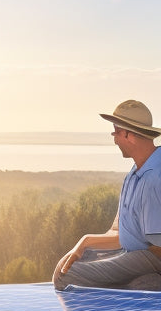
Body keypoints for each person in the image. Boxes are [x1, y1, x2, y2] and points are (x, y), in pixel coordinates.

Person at [52, 100, 161, 291]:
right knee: (76, 259)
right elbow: (119, 233)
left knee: (65, 276)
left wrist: (124, 266)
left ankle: (147, 282)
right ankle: (147, 284)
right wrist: (84, 243)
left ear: (130, 134)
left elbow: (157, 247)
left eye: (117, 131)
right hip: (137, 256)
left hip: (152, 256)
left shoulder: (154, 177)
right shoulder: (133, 175)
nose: (114, 138)